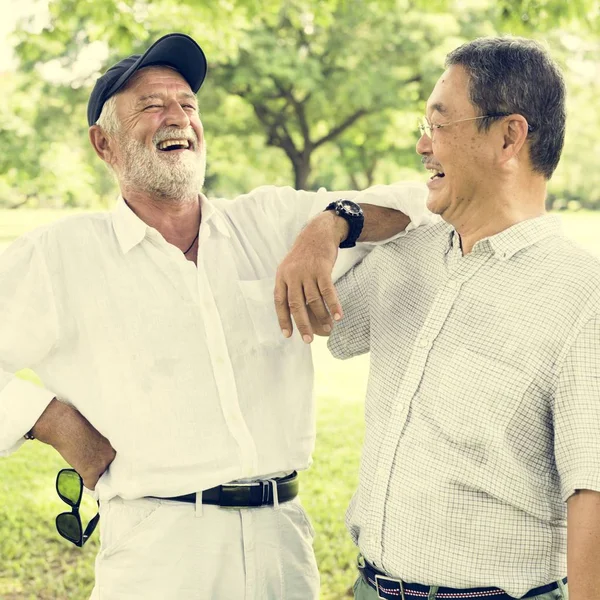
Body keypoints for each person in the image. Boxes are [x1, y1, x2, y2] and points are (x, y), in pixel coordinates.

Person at [0, 33, 431, 599]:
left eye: (187, 104)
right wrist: (46, 419)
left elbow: (423, 202)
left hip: (284, 544)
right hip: (158, 553)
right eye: (151, 106)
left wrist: (331, 225)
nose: (177, 117)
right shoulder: (60, 258)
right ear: (103, 144)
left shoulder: (270, 221)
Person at [296, 36, 600, 600]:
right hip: (370, 587)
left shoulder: (583, 294)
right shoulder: (408, 254)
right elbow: (316, 316)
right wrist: (330, 224)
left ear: (509, 136)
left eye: (440, 124)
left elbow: (594, 493)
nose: (421, 145)